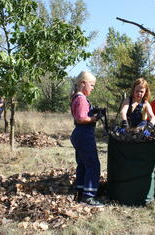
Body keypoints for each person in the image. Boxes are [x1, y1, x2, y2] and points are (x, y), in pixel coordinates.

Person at [70, 71, 104, 207]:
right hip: (84, 134)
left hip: (79, 134)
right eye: (91, 85)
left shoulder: (76, 97)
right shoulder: (81, 98)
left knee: (83, 164)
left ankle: (81, 191)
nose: (92, 88)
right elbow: (81, 118)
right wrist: (95, 118)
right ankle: (88, 196)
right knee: (93, 165)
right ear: (83, 83)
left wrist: (92, 111)